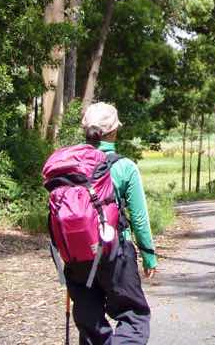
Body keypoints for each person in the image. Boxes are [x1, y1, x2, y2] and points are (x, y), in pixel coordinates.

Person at [65, 101, 158, 345]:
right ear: (114, 131)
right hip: (115, 253)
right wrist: (149, 256)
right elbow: (139, 218)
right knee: (134, 317)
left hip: (78, 258)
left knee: (91, 327)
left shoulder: (68, 166)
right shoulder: (124, 167)